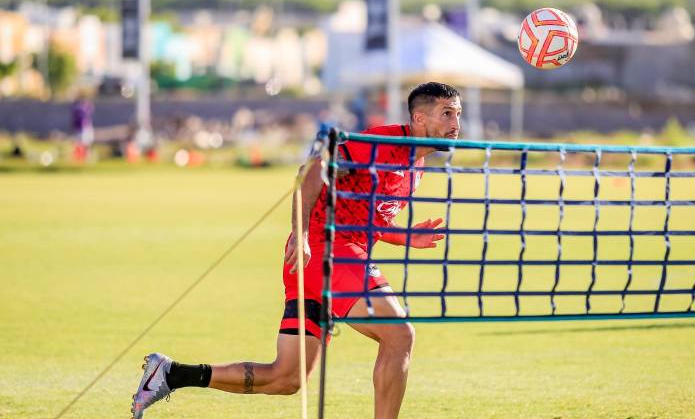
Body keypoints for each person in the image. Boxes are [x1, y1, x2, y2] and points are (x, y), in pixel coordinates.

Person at [131, 82, 462, 419]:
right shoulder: (381, 143)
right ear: (419, 118)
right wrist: (301, 233)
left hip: (325, 259)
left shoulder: (415, 167)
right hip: (324, 252)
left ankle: (172, 373)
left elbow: (366, 218)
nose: (455, 125)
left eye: (457, 115)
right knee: (400, 335)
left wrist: (405, 237)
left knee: (286, 378)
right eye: (446, 114)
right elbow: (312, 171)